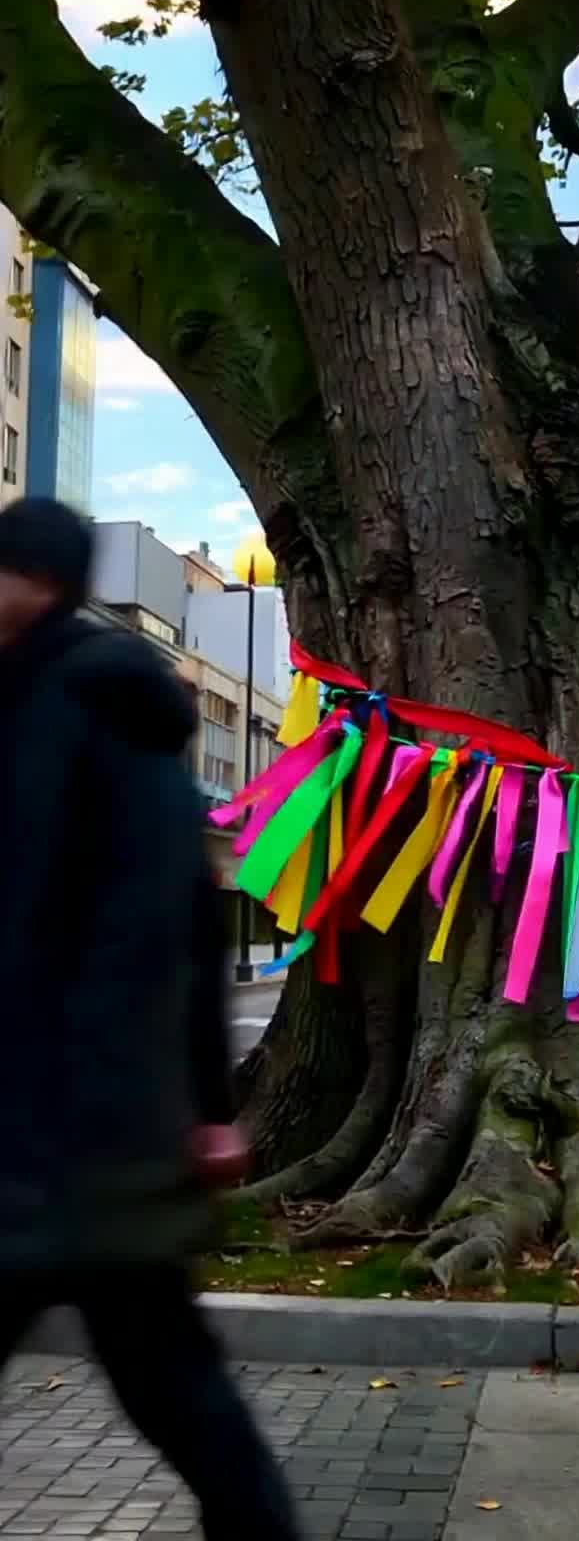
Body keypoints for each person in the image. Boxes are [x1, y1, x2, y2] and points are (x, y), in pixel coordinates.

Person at [0, 498, 298, 1541]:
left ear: (35, 581)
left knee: (173, 1382)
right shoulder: (33, 705)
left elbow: (171, 934)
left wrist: (204, 1108)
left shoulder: (96, 720)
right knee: (170, 1378)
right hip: (66, 1130)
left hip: (85, 1130)